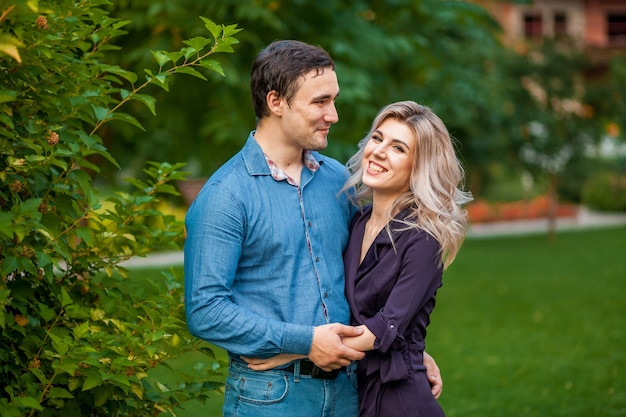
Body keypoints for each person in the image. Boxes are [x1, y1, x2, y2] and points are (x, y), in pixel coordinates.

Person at [184, 40, 442, 417]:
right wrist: (304, 343)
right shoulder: (226, 196)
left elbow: (364, 283)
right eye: (320, 102)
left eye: (333, 100)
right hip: (271, 395)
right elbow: (205, 310)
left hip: (350, 390)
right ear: (276, 102)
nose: (333, 114)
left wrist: (406, 349)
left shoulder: (338, 181)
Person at [342, 101, 472, 416]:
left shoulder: (423, 240)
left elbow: (385, 327)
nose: (379, 151)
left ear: (419, 167)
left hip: (400, 400)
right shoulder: (358, 222)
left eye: (398, 148)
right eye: (377, 138)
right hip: (353, 393)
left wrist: (291, 353)